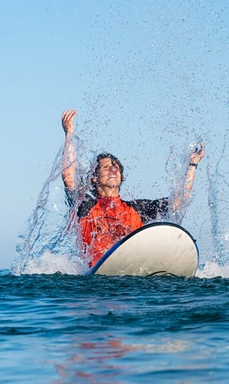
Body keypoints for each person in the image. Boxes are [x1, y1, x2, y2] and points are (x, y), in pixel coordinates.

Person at [60, 109, 205, 267]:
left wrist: (192, 164)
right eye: (106, 167)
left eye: (116, 167)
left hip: (132, 274)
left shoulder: (137, 209)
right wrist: (69, 134)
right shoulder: (85, 205)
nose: (113, 169)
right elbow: (68, 176)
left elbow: (180, 200)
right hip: (97, 275)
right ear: (94, 178)